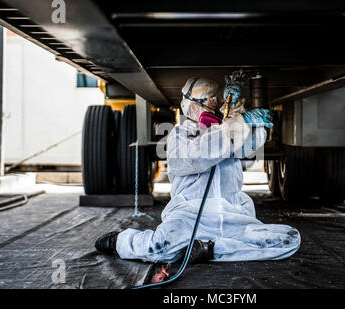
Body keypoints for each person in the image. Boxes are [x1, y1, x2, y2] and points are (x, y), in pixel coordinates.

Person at [95, 76, 300, 263]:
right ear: (194, 107)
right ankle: (121, 241)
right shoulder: (180, 135)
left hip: (233, 215)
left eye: (218, 100)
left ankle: (208, 249)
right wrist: (237, 124)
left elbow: (251, 144)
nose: (217, 104)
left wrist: (241, 114)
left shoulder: (228, 132)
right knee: (158, 249)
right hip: (189, 216)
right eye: (212, 100)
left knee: (289, 239)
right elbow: (199, 155)